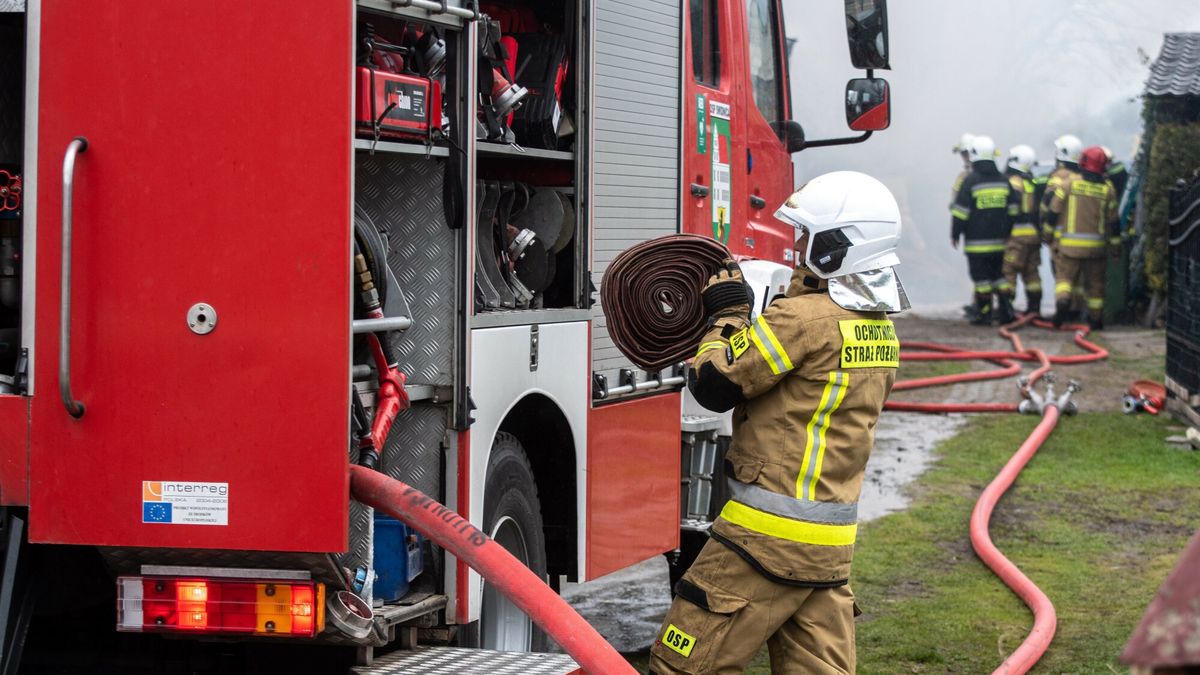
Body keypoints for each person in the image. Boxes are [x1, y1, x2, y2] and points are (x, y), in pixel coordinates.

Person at [649, 171, 904, 675]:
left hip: (761, 544)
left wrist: (727, 315)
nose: (799, 246)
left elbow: (715, 384)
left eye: (808, 236)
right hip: (827, 552)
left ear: (837, 247)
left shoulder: (802, 321)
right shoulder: (881, 333)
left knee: (681, 666)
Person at [1043, 145, 1121, 330]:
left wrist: (1047, 235)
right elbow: (1114, 222)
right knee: (1095, 286)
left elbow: (1053, 211)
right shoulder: (1108, 190)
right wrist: (1116, 249)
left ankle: (1063, 302)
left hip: (1069, 247)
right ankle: (1095, 320)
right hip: (1097, 249)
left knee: (1064, 279)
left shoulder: (1068, 184)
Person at [951, 135, 1019, 325]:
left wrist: (955, 234)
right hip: (999, 243)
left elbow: (960, 212)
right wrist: (1006, 231)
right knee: (998, 277)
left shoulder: (971, 181)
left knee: (981, 279)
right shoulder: (1004, 181)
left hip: (976, 244)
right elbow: (1014, 210)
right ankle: (1006, 310)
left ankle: (984, 314)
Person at [1002, 144, 1043, 316]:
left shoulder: (1014, 183)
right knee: (1031, 274)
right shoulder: (1031, 183)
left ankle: (1006, 308)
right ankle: (1034, 308)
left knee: (1009, 272)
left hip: (1016, 236)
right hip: (1033, 236)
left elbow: (1010, 207)